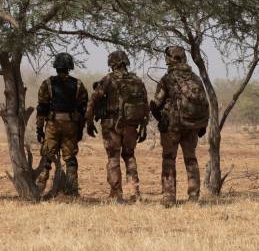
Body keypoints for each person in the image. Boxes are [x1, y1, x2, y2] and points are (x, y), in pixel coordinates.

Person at [85, 50, 149, 203]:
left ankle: (116, 194)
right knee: (129, 156)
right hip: (131, 126)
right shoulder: (137, 81)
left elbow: (93, 100)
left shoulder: (108, 80)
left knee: (113, 157)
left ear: (112, 64)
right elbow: (145, 105)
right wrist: (143, 126)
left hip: (112, 125)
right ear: (125, 63)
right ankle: (135, 193)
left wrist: (89, 121)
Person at [149, 46, 209, 207]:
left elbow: (156, 102)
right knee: (191, 159)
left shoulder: (167, 78)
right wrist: (202, 125)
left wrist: (157, 115)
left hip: (172, 127)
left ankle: (169, 198)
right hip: (192, 125)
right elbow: (204, 103)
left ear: (171, 59)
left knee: (169, 159)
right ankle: (194, 197)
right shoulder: (195, 78)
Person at [35, 52, 88, 197]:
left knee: (47, 156)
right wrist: (80, 128)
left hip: (53, 124)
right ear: (70, 66)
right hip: (71, 125)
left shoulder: (47, 83)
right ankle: (72, 190)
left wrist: (39, 129)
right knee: (70, 158)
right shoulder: (78, 84)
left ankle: (39, 187)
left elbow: (42, 108)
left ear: (56, 66)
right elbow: (83, 109)